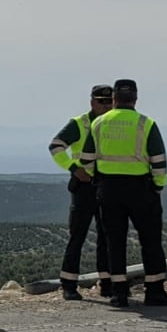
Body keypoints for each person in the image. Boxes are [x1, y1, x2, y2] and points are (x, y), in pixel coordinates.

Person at [79, 79, 167, 308]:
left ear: (114, 99)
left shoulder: (99, 123)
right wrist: (157, 185)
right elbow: (159, 162)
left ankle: (118, 293)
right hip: (141, 189)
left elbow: (86, 161)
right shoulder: (146, 124)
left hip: (109, 189)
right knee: (151, 240)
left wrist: (97, 179)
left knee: (115, 242)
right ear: (135, 98)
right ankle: (154, 290)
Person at [49, 84, 115, 300]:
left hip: (107, 185)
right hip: (84, 186)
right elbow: (56, 146)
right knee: (78, 235)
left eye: (109, 101)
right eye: (101, 101)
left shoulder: (115, 123)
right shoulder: (80, 123)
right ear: (92, 102)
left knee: (107, 236)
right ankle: (68, 284)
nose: (105, 105)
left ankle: (107, 283)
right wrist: (74, 169)